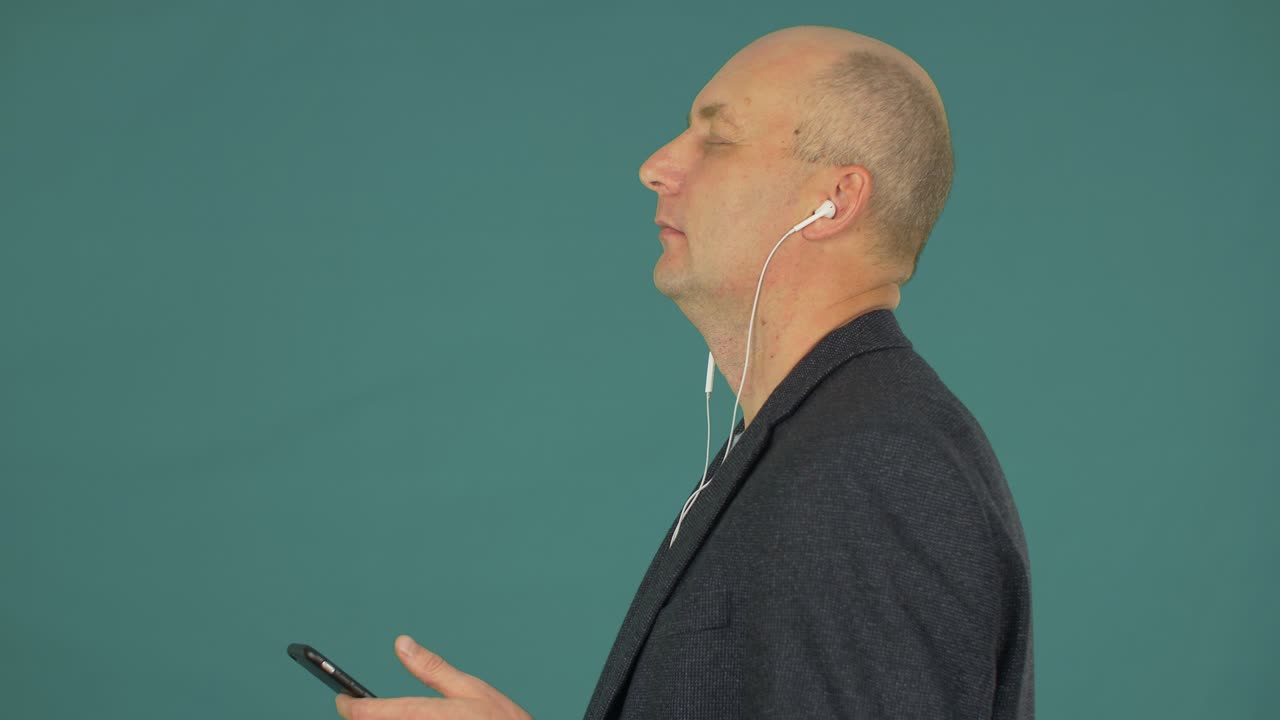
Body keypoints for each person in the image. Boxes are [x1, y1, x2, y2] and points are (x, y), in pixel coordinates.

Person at [335, 24, 1033, 720]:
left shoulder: (872, 464)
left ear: (835, 201)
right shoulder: (820, 443)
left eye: (718, 137)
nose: (656, 165)